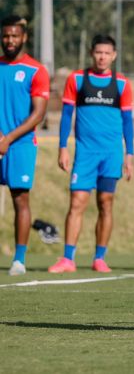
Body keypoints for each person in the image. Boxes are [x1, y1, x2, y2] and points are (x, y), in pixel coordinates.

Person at [48, 34, 134, 273]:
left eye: (107, 53)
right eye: (99, 52)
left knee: (105, 204)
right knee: (77, 202)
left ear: (114, 56)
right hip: (84, 154)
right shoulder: (76, 79)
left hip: (111, 154)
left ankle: (99, 257)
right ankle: (68, 259)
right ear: (91, 53)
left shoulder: (122, 84)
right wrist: (62, 147)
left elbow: (128, 122)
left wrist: (130, 155)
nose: (102, 57)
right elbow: (66, 116)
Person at [0, 15, 50, 276]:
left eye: (14, 36)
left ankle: (18, 260)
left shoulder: (36, 70)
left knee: (20, 199)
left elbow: (38, 115)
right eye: (6, 35)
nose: (9, 40)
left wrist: (7, 139)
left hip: (20, 146)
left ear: (24, 37)